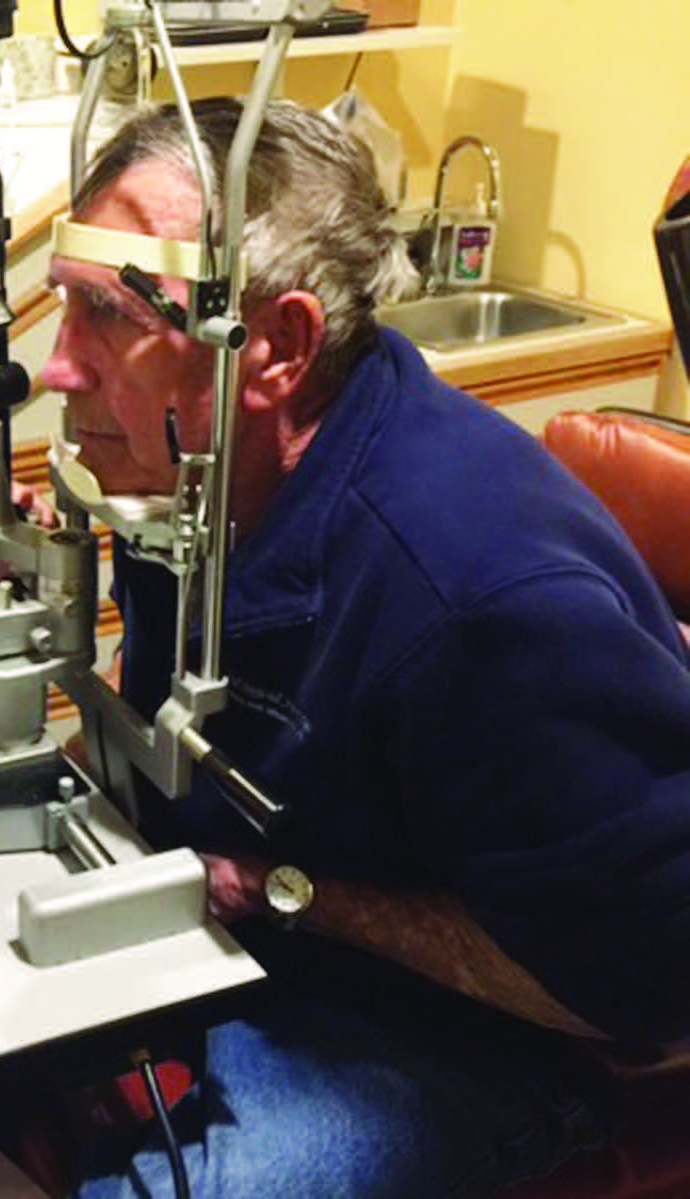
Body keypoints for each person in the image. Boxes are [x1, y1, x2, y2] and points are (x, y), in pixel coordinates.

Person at [37, 97, 690, 1197]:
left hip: (499, 1031)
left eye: (107, 317)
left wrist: (287, 889)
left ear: (277, 349)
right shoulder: (196, 473)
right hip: (259, 937)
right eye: (66, 309)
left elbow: (641, 980)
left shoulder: (474, 598)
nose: (57, 370)